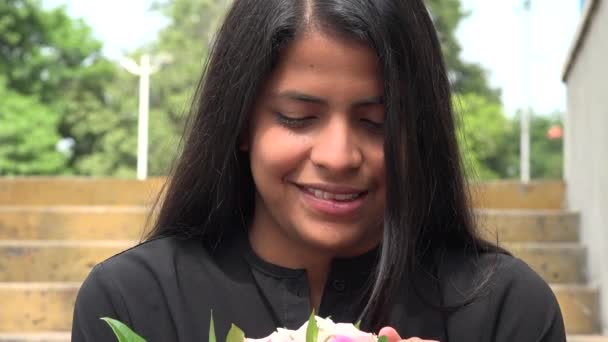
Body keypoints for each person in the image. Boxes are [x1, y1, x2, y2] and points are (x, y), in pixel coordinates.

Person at [71, 0, 566, 341]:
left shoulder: (506, 309)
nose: (338, 155)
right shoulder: (134, 300)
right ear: (241, 123)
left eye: (377, 122)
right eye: (298, 118)